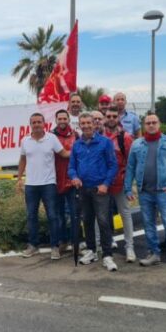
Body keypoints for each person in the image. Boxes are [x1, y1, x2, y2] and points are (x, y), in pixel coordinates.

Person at [124, 113, 166, 274]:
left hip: (164, 192)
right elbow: (130, 167)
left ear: (159, 124)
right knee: (148, 225)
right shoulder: (137, 144)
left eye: (154, 122)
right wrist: (128, 188)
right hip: (145, 192)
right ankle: (154, 254)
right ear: (144, 126)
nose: (151, 125)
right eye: (148, 123)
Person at [69, 113, 118, 271]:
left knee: (103, 221)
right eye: (83, 123)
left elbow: (113, 165)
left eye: (89, 123)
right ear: (80, 125)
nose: (86, 126)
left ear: (94, 124)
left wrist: (106, 184)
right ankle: (91, 251)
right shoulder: (76, 145)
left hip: (100, 189)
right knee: (88, 221)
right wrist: (74, 177)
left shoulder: (105, 143)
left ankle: (107, 255)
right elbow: (71, 167)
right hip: (83, 189)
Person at [17, 113, 70, 259]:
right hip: (31, 185)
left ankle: (55, 247)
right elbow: (22, 159)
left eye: (39, 122)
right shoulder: (25, 140)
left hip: (48, 184)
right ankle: (33, 246)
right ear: (30, 124)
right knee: (31, 216)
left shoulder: (51, 138)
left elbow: (64, 153)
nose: (36, 125)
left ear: (44, 123)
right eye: (34, 122)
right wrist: (19, 178)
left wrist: (79, 152)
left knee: (53, 216)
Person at [103, 107, 136, 262]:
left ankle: (129, 247)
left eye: (114, 116)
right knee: (102, 215)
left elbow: (131, 162)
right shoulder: (98, 136)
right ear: (104, 117)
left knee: (125, 214)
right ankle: (105, 243)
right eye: (108, 115)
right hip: (103, 184)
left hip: (120, 182)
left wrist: (129, 184)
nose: (111, 118)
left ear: (118, 118)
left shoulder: (126, 138)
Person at [52, 109, 77, 255]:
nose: (62, 121)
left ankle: (75, 243)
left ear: (68, 119)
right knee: (59, 214)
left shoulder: (76, 135)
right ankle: (63, 242)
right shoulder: (50, 136)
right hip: (55, 180)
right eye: (59, 119)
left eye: (64, 118)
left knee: (74, 214)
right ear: (56, 120)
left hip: (72, 180)